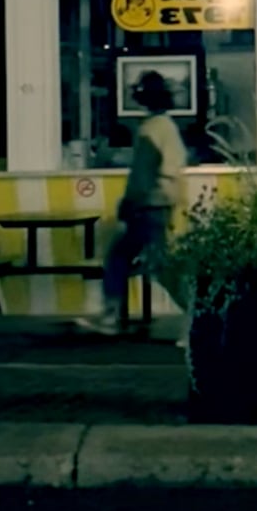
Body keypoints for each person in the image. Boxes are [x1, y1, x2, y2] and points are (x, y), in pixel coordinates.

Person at [77, 71, 188, 336]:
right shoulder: (167, 127)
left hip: (148, 205)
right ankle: (195, 319)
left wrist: (130, 203)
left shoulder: (151, 130)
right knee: (153, 263)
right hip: (160, 204)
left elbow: (143, 173)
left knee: (131, 259)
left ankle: (112, 316)